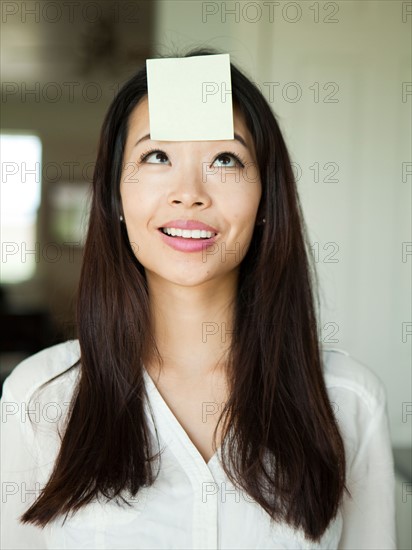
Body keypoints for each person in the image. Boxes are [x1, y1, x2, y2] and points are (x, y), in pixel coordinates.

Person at [0, 47, 396, 549]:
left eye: (225, 159)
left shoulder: (349, 403)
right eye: (156, 156)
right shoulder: (37, 400)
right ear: (115, 197)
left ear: (266, 199)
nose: (189, 193)